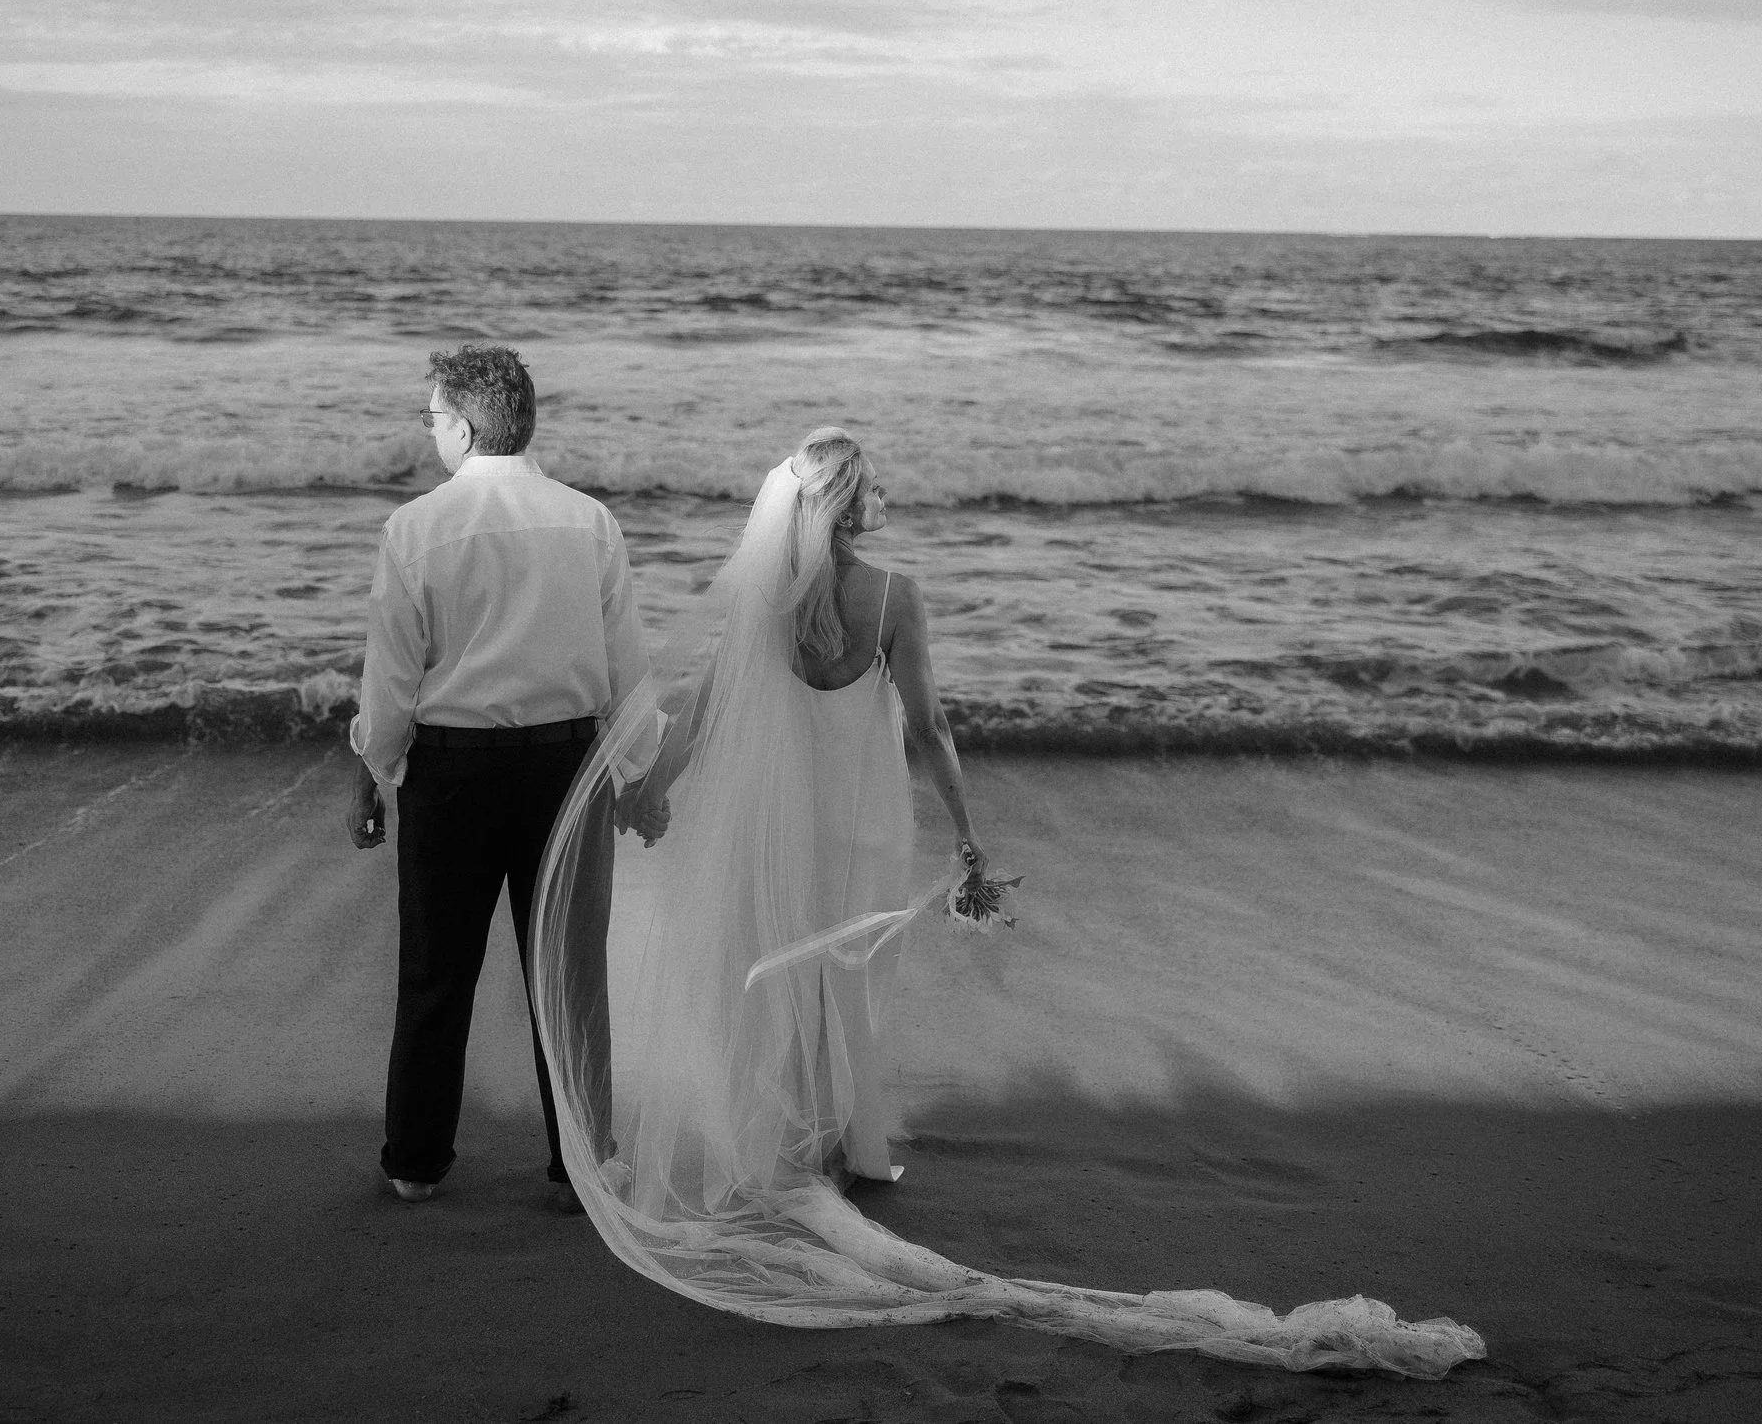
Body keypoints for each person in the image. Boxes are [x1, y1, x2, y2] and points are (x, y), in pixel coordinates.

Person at [522, 428, 1486, 1377]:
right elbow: (930, 721)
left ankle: (780, 1136)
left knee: (778, 957)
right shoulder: (894, 594)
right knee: (846, 968)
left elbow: (705, 707)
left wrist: (654, 791)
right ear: (853, 504)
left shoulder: (763, 600)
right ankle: (844, 1143)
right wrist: (967, 827)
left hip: (781, 821)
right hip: (859, 821)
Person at [346, 344, 646, 1213]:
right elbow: (630, 671)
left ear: (467, 427)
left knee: (437, 971)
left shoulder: (414, 528)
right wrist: (637, 773)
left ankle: (416, 1162)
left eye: (432, 416)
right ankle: (583, 1168)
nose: (429, 429)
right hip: (567, 767)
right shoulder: (591, 522)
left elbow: (392, 688)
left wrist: (376, 768)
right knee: (567, 972)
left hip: (450, 771)